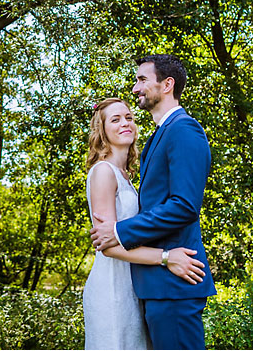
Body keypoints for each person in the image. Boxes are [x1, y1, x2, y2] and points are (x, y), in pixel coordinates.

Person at [89, 55, 216, 350]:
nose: (135, 88)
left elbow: (184, 205)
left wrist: (120, 231)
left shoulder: (184, 130)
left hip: (175, 284)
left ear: (167, 84)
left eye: (142, 80)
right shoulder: (158, 138)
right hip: (155, 285)